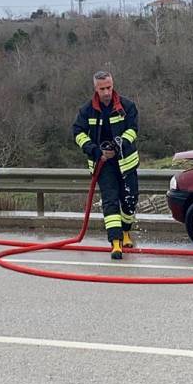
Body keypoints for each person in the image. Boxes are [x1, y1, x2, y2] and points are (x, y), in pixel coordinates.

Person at [71, 70, 140, 260]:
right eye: (102, 89)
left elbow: (133, 129)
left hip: (126, 162)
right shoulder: (87, 111)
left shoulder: (127, 106)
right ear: (96, 89)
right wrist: (94, 150)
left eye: (109, 87)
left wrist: (120, 144)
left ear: (113, 85)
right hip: (103, 164)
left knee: (130, 200)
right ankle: (115, 242)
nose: (107, 92)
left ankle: (126, 231)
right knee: (110, 201)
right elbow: (78, 133)